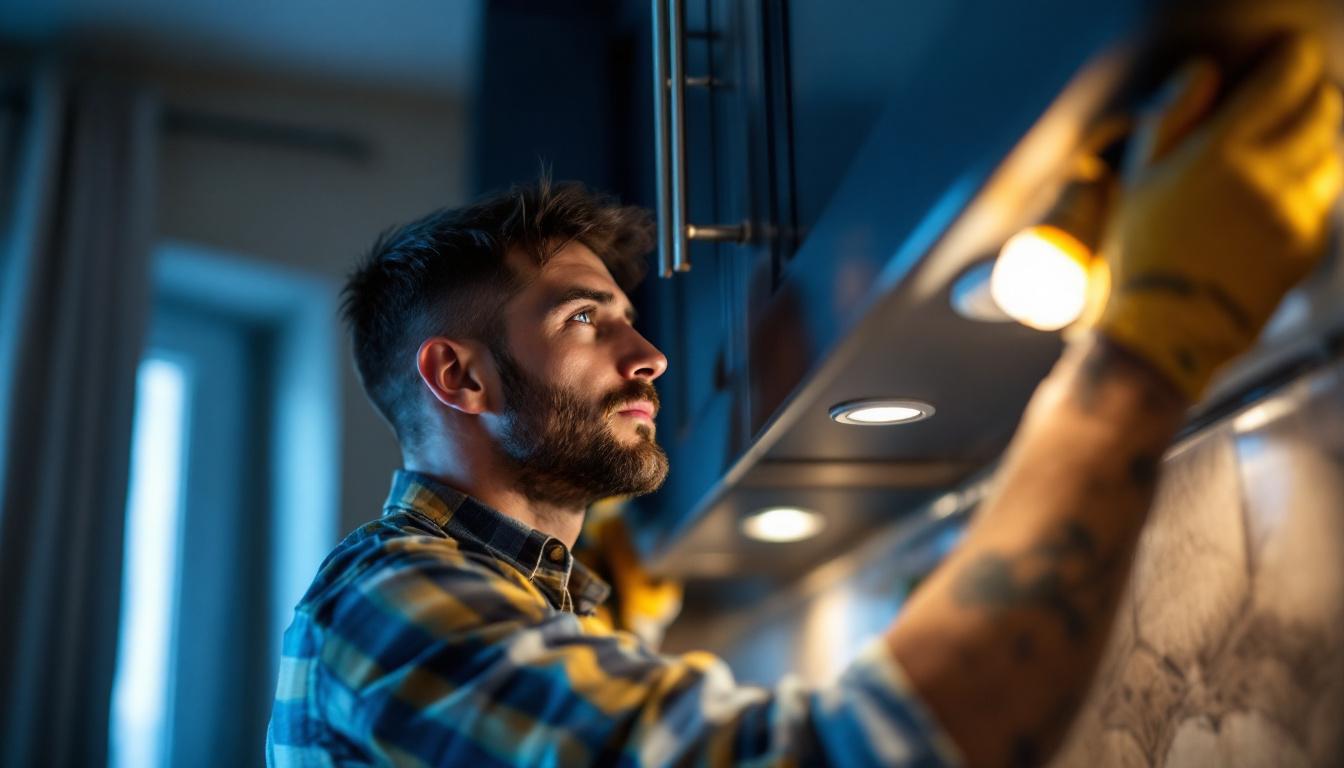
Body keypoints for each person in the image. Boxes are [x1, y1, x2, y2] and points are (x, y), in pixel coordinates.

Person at [267, 35, 1342, 767]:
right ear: (458, 378)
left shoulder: (500, 594)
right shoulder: (390, 607)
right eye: (585, 320)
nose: (651, 356)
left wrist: (616, 605)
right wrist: (1145, 345)